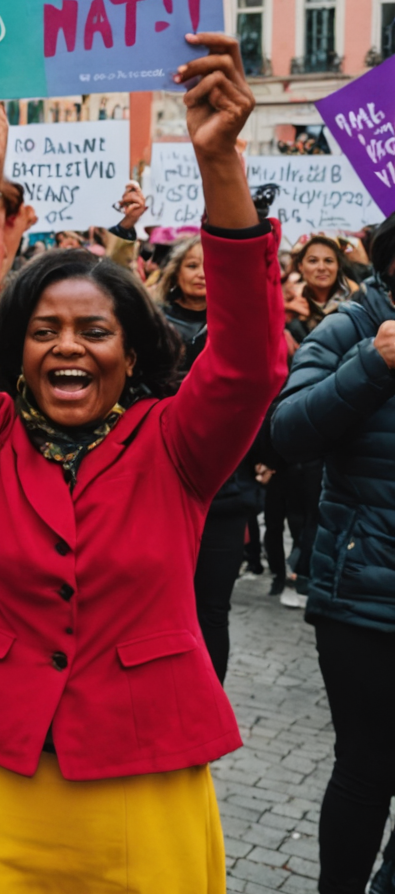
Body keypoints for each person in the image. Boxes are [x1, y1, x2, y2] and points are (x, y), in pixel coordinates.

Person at [0, 34, 286, 894]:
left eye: (94, 329)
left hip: (142, 776)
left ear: (134, 348)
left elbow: (248, 362)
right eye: (44, 330)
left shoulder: (178, 445)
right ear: (18, 350)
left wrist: (220, 165)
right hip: (1, 772)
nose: (69, 347)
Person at [273, 208, 395, 894]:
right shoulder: (355, 325)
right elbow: (287, 433)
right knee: (366, 767)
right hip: (365, 596)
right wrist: (373, 366)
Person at [151, 232, 264, 679]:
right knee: (158, 607)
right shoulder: (151, 325)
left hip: (225, 492)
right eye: (192, 265)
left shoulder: (237, 327)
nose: (201, 274)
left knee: (212, 609)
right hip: (164, 484)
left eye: (208, 266)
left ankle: (205, 700)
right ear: (176, 273)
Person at [294, 234, 358, 333]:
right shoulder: (290, 305)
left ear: (338, 265)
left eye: (328, 261)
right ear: (300, 266)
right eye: (313, 261)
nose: (321, 268)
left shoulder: (357, 301)